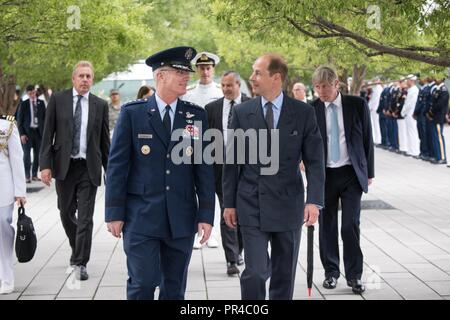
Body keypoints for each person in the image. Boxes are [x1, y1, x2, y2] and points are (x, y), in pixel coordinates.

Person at [105, 46, 215, 300]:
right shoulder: (133, 114)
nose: (186, 76)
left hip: (181, 218)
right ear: (160, 76)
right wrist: (114, 212)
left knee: (174, 289)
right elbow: (117, 167)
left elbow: (204, 169)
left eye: (187, 71)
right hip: (141, 216)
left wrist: (206, 214)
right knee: (142, 284)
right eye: (179, 71)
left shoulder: (194, 116)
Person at [223, 53, 325, 300]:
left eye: (258, 72)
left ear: (276, 78)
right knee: (255, 272)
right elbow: (232, 162)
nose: (252, 78)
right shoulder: (242, 112)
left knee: (284, 274)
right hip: (251, 203)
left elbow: (315, 161)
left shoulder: (303, 113)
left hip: (288, 205)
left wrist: (314, 200)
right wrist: (229, 203)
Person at [40, 61, 110, 281]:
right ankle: (76, 246)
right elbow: (47, 133)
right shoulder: (58, 100)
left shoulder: (100, 104)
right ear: (73, 79)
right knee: (66, 212)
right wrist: (45, 165)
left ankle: (80, 262)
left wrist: (111, 172)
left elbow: (104, 141)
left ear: (92, 79)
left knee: (86, 218)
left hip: (88, 168)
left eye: (89, 76)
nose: (85, 80)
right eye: (81, 76)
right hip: (64, 166)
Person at [310, 65, 374, 294]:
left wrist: (369, 172)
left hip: (350, 173)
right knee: (326, 226)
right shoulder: (312, 108)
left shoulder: (357, 105)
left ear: (337, 84)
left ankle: (355, 276)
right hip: (324, 176)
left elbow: (367, 137)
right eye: (317, 87)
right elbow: (307, 142)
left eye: (325, 86)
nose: (321, 91)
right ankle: (331, 273)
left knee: (350, 225)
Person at [204, 71, 249, 275]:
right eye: (222, 85)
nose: (225, 89)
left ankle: (238, 250)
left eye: (229, 85)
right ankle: (231, 259)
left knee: (244, 212)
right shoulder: (211, 109)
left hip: (248, 170)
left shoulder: (253, 105)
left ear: (238, 85)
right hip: (220, 170)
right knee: (226, 210)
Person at [183, 51, 223, 249]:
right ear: (197, 70)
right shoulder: (189, 93)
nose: (205, 71)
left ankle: (212, 231)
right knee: (193, 190)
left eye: (208, 68)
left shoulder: (220, 92)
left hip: (216, 147)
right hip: (194, 146)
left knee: (213, 190)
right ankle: (197, 232)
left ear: (213, 69)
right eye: (201, 68)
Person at [0, 114, 26, 295]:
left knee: (2, 228)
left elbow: (16, 158)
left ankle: (7, 277)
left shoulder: (6, 125)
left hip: (3, 186)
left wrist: (20, 191)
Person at [16, 85, 46, 183]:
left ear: (35, 92)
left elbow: (45, 119)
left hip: (38, 132)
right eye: (29, 94)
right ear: (27, 94)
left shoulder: (41, 103)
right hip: (27, 133)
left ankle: (34, 175)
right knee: (26, 155)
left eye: (33, 93)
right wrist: (22, 134)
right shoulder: (24, 104)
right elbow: (19, 121)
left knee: (38, 154)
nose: (32, 95)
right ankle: (27, 175)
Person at [427, 78, 448, 164]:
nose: (436, 78)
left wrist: (431, 112)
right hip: (434, 117)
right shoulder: (437, 89)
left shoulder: (443, 90)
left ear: (442, 79)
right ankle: (437, 156)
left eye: (438, 77)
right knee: (435, 137)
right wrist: (430, 113)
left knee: (439, 137)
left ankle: (442, 157)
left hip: (438, 117)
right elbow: (432, 103)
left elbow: (439, 105)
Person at [401, 75, 420, 157]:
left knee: (412, 132)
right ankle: (410, 149)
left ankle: (414, 151)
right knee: (409, 132)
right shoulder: (411, 90)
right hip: (408, 113)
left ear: (411, 81)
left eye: (407, 80)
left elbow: (410, 103)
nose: (406, 82)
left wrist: (403, 111)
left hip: (411, 113)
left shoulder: (414, 90)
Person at [367, 79, 382, 145]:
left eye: (375, 80)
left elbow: (376, 100)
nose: (374, 82)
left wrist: (370, 107)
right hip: (372, 108)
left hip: (375, 108)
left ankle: (378, 140)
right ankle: (375, 139)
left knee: (376, 125)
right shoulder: (375, 88)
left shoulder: (378, 88)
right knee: (373, 124)